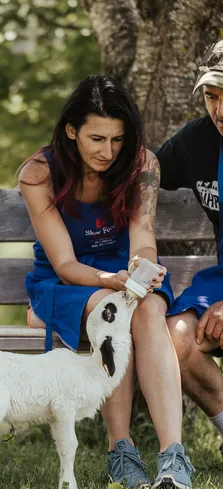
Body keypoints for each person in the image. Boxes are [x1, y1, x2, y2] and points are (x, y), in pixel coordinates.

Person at [18, 75, 194, 489]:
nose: (108, 151)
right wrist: (110, 281)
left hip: (123, 271)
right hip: (71, 279)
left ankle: (173, 456)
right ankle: (122, 452)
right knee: (113, 310)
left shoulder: (142, 165)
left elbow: (143, 239)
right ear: (71, 130)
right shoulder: (39, 173)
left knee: (148, 309)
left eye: (117, 139)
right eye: (96, 139)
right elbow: (65, 264)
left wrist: (142, 265)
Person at [157, 40, 223, 456]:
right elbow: (144, 170)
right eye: (212, 96)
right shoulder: (197, 141)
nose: (220, 110)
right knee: (176, 337)